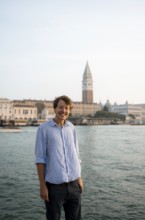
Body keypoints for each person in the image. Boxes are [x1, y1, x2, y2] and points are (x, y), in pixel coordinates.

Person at [35, 95, 83, 220]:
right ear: (55, 109)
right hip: (54, 187)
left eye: (67, 108)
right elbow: (40, 159)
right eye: (61, 107)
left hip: (74, 185)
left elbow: (76, 155)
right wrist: (42, 185)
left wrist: (79, 179)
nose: (64, 111)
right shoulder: (43, 129)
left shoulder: (72, 128)